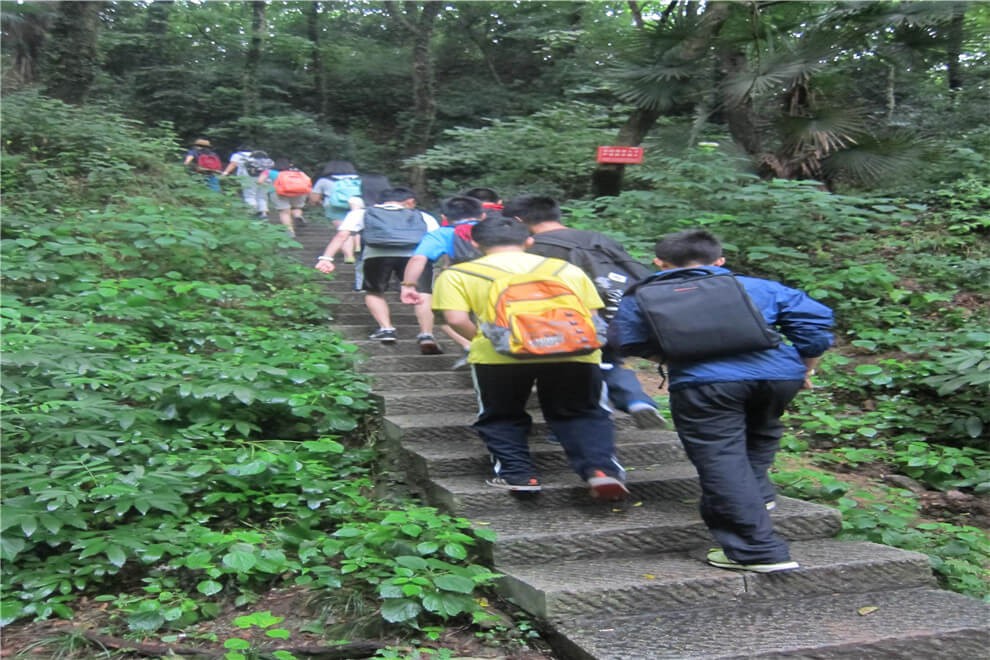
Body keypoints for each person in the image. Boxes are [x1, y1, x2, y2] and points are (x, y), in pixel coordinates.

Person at [609, 228, 834, 573]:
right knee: (761, 431)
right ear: (720, 260)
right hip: (778, 376)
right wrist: (806, 366)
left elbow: (627, 341)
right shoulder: (757, 286)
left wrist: (674, 356)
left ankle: (756, 550)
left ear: (658, 262)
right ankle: (757, 497)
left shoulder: (643, 296)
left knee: (721, 459)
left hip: (705, 385)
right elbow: (815, 321)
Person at [432, 216, 627, 499]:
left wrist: (487, 338)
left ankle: (519, 475)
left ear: (474, 242)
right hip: (574, 352)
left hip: (499, 357)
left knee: (502, 414)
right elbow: (592, 315)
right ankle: (600, 471)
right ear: (529, 241)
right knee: (583, 411)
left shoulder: (458, 274)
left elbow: (455, 319)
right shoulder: (566, 268)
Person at [503, 194, 667, 430]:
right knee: (611, 360)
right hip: (617, 312)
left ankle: (593, 416)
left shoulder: (534, 248)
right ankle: (637, 401)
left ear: (518, 220)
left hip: (569, 320)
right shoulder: (597, 238)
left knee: (571, 369)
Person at [314, 187, 442, 354]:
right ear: (409, 202)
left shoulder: (361, 213)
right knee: (423, 293)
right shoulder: (423, 216)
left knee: (374, 292)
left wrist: (327, 258)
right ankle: (426, 334)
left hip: (377, 255)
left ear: (379, 201)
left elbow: (341, 236)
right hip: (416, 257)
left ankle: (387, 329)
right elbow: (436, 240)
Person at [400, 195, 488, 369]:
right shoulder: (495, 229)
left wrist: (408, 285)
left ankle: (472, 345)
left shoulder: (441, 233)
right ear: (483, 215)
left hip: (460, 281)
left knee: (443, 316)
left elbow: (418, 259)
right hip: (499, 280)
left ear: (444, 218)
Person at [311, 161, 362, 262]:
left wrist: (320, 203)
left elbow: (314, 199)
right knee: (355, 229)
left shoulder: (324, 180)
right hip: (356, 205)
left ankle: (349, 256)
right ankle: (357, 246)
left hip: (335, 207)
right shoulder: (358, 179)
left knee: (343, 230)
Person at [259, 157, 310, 238]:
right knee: (296, 207)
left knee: (284, 212)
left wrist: (268, 187)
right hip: (298, 191)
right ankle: (298, 216)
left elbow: (260, 181)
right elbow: (307, 180)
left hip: (278, 192)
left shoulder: (269, 171)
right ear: (289, 165)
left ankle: (290, 231)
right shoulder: (296, 171)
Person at [221, 146, 270, 220]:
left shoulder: (238, 155)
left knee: (250, 195)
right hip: (265, 177)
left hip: (249, 177)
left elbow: (233, 164)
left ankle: (251, 213)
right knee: (262, 196)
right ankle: (263, 213)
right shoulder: (260, 156)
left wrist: (225, 173)